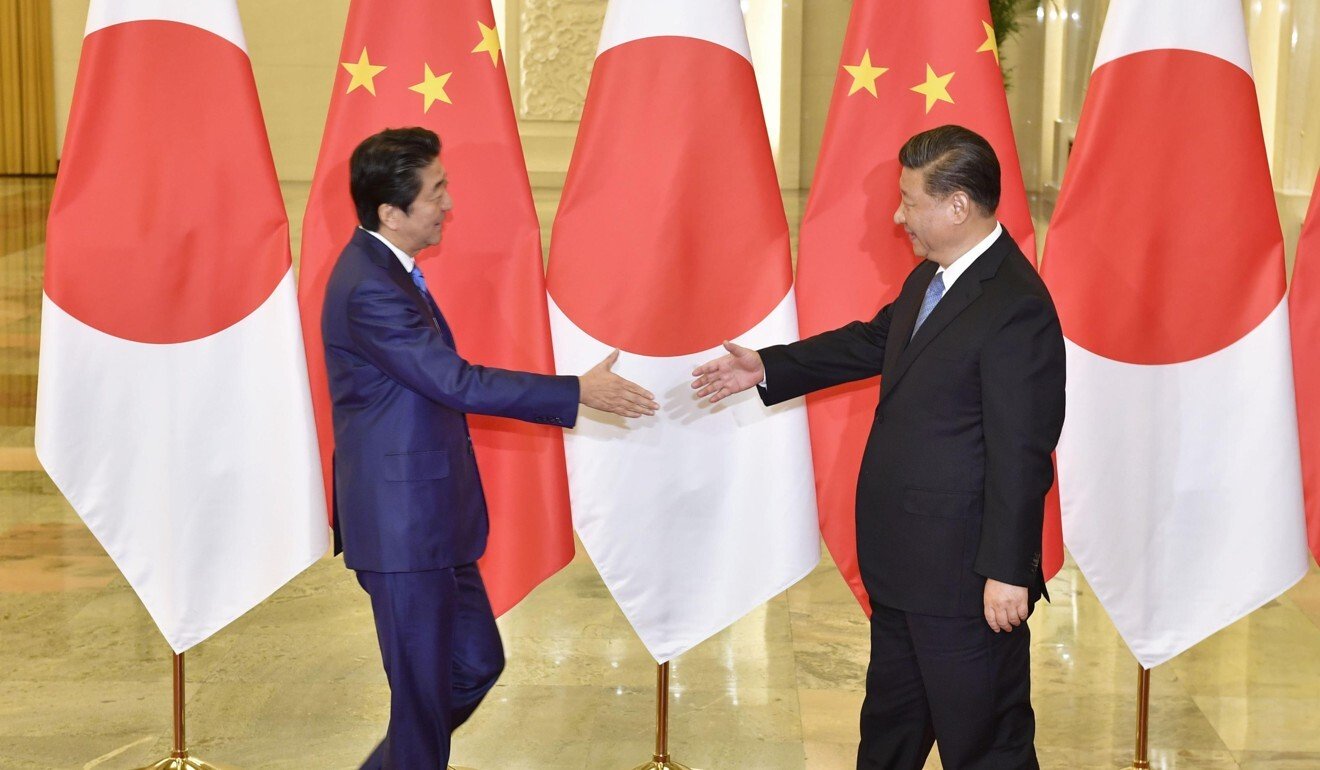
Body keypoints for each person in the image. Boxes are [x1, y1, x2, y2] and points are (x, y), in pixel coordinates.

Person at [692, 125, 1065, 769]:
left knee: (986, 748)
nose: (898, 216)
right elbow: (872, 342)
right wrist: (768, 367)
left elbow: (1021, 454)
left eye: (909, 200)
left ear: (957, 206)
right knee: (889, 737)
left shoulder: (1016, 307)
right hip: (904, 571)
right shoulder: (931, 279)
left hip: (965, 582)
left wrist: (1008, 570)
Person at [322, 126, 658, 770]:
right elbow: (453, 380)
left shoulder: (390, 271)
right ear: (391, 212)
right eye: (437, 191)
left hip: (431, 518)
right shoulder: (368, 286)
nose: (449, 203)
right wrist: (574, 391)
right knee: (421, 702)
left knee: (475, 662)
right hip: (401, 526)